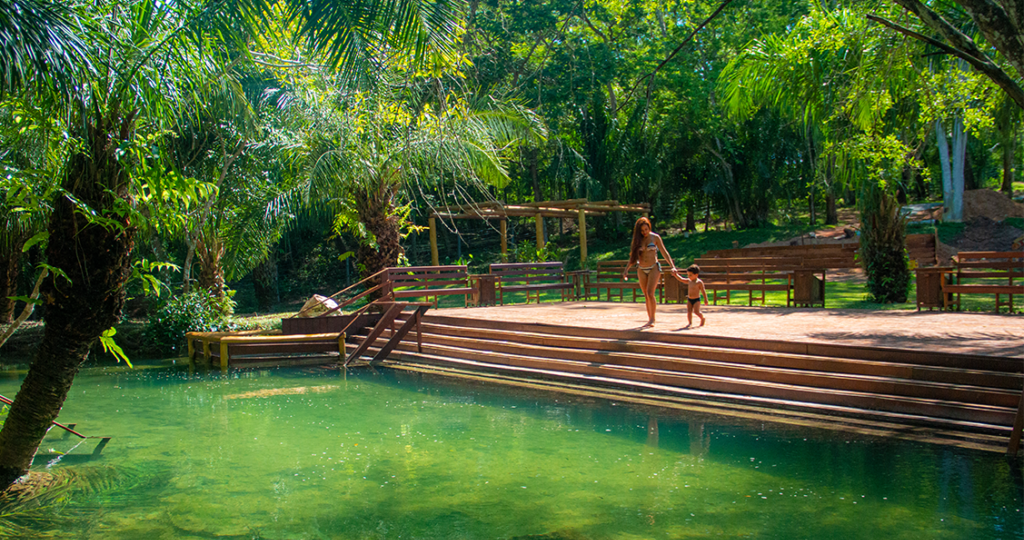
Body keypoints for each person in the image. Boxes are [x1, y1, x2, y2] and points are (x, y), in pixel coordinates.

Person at [621, 217, 677, 328]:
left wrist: (672, 266)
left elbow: (664, 252)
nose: (644, 232)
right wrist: (626, 269)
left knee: (650, 293)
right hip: (641, 268)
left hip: (653, 267)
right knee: (646, 295)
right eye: (642, 230)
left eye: (646, 229)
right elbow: (633, 257)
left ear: (649, 227)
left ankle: (652, 319)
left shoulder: (655, 237)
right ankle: (649, 318)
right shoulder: (638, 240)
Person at [672, 264, 707, 328]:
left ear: (696, 275)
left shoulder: (699, 282)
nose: (689, 276)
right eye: (688, 275)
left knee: (696, 311)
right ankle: (690, 323)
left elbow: (703, 291)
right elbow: (681, 279)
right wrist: (675, 275)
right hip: (689, 299)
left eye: (690, 275)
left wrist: (705, 299)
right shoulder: (689, 281)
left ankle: (702, 318)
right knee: (689, 311)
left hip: (696, 299)